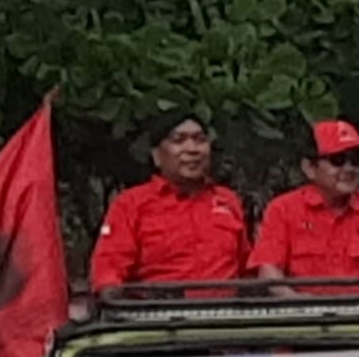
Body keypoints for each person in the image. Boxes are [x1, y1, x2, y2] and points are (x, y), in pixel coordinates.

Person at [248, 120, 359, 297]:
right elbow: (269, 272)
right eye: (338, 160)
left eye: (357, 160)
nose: (349, 168)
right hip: (302, 317)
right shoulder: (282, 210)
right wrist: (300, 304)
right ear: (310, 168)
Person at [89, 111, 249, 294]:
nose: (192, 149)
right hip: (157, 316)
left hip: (224, 317)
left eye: (200, 139)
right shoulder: (130, 204)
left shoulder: (228, 200)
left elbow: (247, 270)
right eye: (178, 140)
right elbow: (109, 270)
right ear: (157, 156)